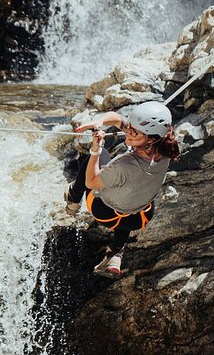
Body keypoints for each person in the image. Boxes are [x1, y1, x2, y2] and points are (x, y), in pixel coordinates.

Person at [64, 101, 179, 277]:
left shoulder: (124, 165)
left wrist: (96, 149)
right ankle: (116, 251)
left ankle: (74, 197)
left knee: (97, 158)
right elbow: (118, 119)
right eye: (130, 128)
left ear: (150, 138)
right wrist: (100, 121)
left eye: (135, 132)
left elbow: (91, 182)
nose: (129, 133)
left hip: (105, 213)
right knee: (132, 195)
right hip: (140, 217)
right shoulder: (164, 148)